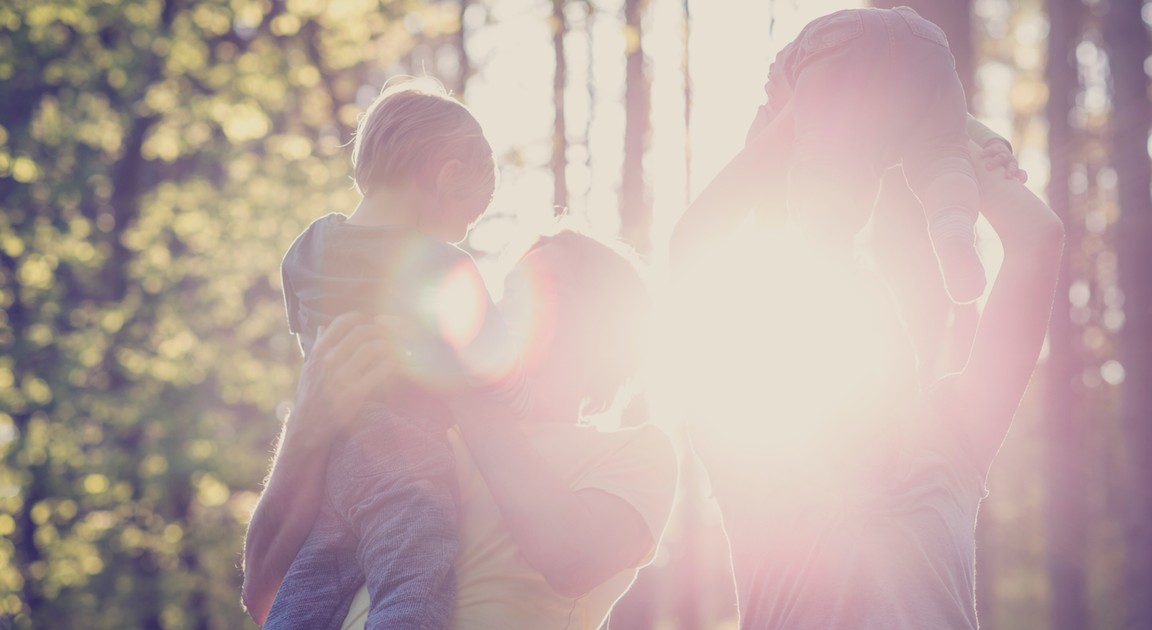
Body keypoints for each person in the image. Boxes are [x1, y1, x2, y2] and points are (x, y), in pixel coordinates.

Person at [670, 87, 1062, 629]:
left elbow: (1038, 241)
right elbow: (693, 250)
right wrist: (808, 101)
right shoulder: (757, 463)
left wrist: (951, 130)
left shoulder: (950, 442)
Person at [247, 229, 678, 630]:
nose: (511, 307)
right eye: (509, 291)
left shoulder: (637, 452)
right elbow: (265, 593)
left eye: (551, 290)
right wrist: (307, 425)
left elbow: (573, 561)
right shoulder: (416, 436)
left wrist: (458, 379)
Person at [241, 78, 529, 629]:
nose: (465, 230)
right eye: (469, 212)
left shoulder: (308, 248)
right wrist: (518, 388)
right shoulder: (444, 267)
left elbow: (310, 342)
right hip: (407, 460)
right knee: (414, 580)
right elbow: (493, 368)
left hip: (332, 465)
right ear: (448, 176)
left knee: (305, 592)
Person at [748, 6, 1018, 305]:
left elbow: (758, 148)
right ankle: (952, 230)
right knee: (942, 157)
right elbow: (957, 123)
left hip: (829, 41)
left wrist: (768, 220)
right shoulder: (889, 125)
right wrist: (991, 141)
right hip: (923, 39)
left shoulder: (802, 111)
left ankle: (828, 246)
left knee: (819, 158)